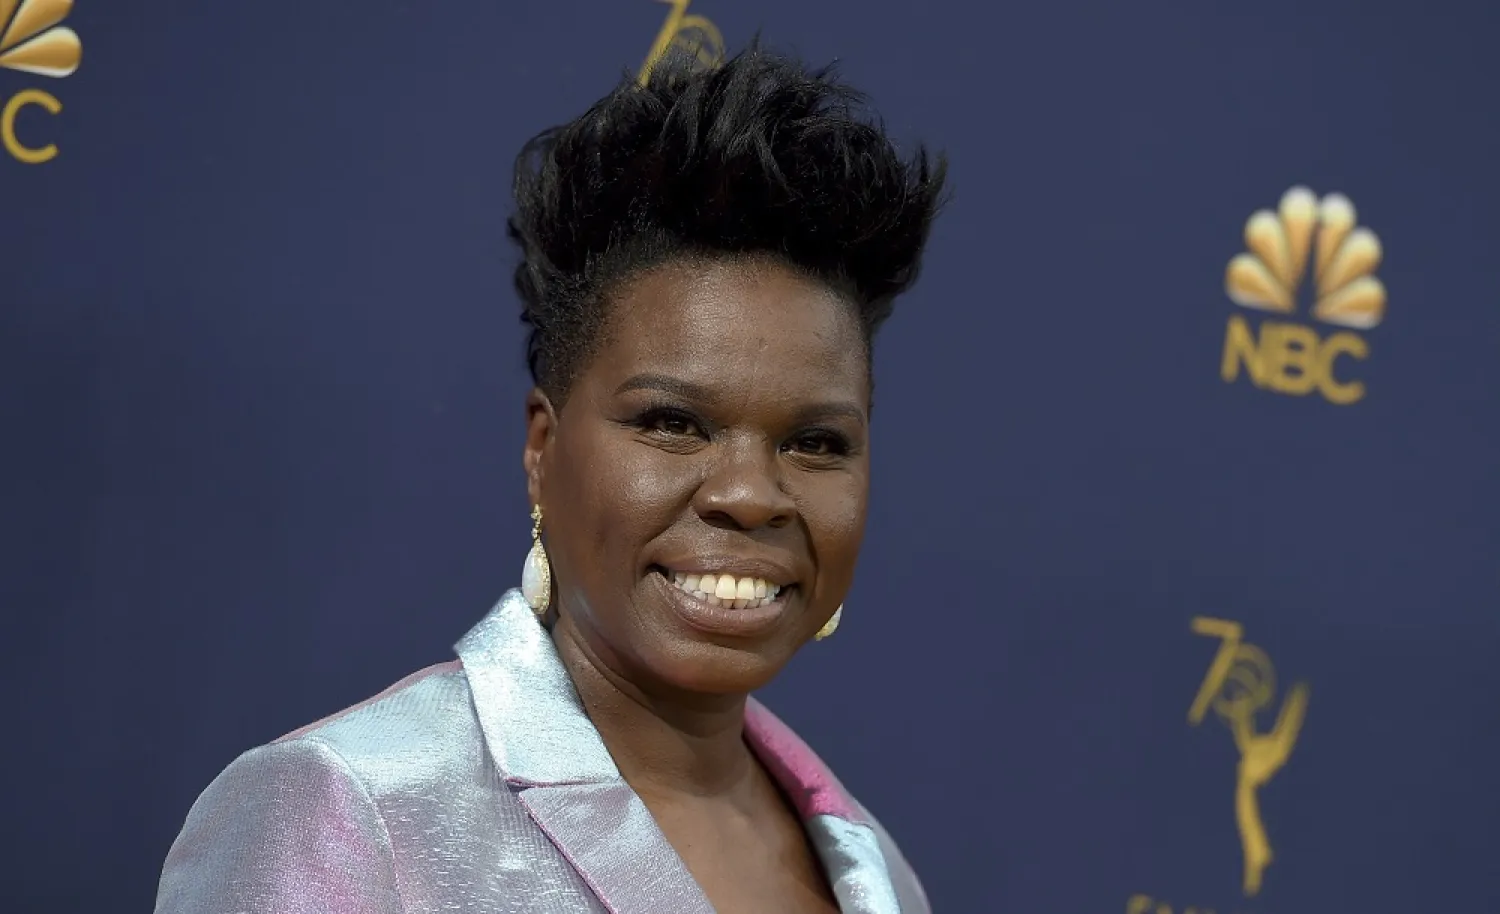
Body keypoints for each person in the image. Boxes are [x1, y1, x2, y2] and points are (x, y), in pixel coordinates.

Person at [155, 43, 946, 914]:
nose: (751, 494)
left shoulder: (877, 875)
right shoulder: (346, 810)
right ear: (543, 448)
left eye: (815, 443)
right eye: (673, 424)